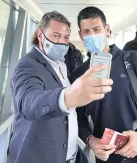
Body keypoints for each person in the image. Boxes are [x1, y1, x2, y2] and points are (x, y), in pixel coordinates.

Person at [7, 11, 113, 163]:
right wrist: (67, 97)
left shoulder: (60, 63)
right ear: (40, 35)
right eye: (56, 36)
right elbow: (28, 102)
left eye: (66, 37)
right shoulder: (28, 65)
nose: (61, 42)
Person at [73, 6, 137, 163]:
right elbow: (78, 117)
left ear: (107, 30)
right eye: (86, 32)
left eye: (97, 29)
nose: (92, 35)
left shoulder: (134, 60)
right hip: (106, 158)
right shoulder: (79, 74)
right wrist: (91, 141)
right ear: (80, 35)